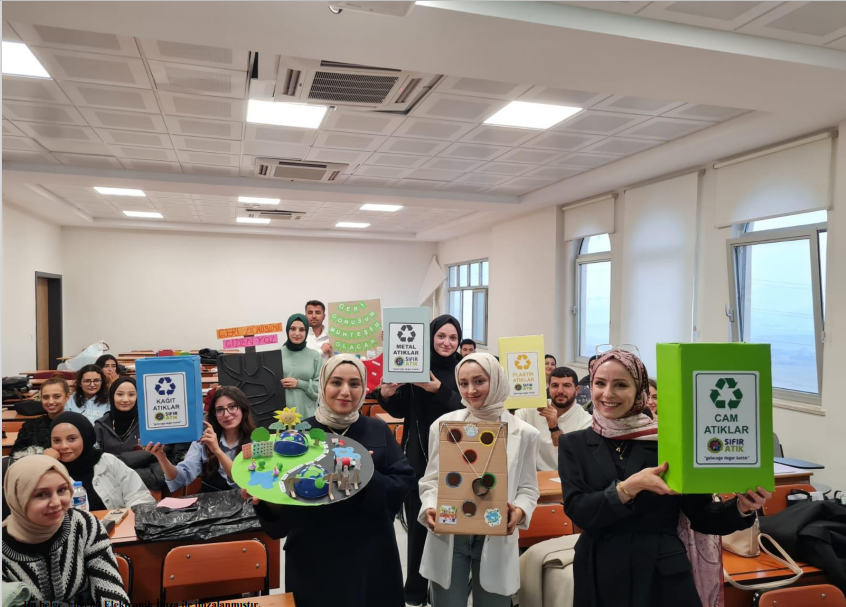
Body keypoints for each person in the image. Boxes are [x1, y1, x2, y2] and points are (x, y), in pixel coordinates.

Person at [558, 349, 770, 607]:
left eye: (621, 385)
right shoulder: (574, 444)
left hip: (661, 570)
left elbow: (701, 515)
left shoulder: (669, 443)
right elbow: (579, 511)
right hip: (601, 570)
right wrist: (629, 487)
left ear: (640, 391)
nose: (608, 393)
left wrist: (742, 508)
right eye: (600, 383)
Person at [245, 354, 416, 607]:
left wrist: (362, 476)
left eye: (354, 384)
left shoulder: (378, 430)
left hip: (369, 558)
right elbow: (281, 522)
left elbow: (401, 485)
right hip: (314, 560)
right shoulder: (299, 436)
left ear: (363, 388)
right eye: (336, 382)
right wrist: (267, 501)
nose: (345, 391)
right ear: (323, 385)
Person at [420, 353, 540, 606]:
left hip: (495, 530)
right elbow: (431, 479)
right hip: (452, 530)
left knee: (493, 601)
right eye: (463, 383)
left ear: (496, 380)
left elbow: (528, 488)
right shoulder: (443, 426)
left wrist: (518, 512)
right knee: (447, 601)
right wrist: (430, 506)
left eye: (479, 381)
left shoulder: (525, 433)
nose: (471, 391)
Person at [377, 314, 464, 607]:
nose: (447, 342)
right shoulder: (415, 365)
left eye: (453, 337)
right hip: (419, 456)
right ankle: (415, 589)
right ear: (430, 337)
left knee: (452, 521)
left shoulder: (463, 369)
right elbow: (400, 409)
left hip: (458, 456)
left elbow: (470, 407)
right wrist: (386, 394)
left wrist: (438, 390)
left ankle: (448, 586)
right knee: (419, 524)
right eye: (441, 336)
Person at [1, 455, 130, 605]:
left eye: (62, 490)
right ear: (17, 497)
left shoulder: (84, 524)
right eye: (41, 494)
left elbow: (111, 592)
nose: (56, 503)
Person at [146, 385, 255, 493]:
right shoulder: (204, 439)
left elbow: (245, 481)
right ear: (214, 414)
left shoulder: (255, 441)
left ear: (243, 408)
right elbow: (181, 478)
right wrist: (161, 457)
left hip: (245, 501)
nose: (226, 414)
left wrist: (217, 451)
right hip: (211, 501)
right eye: (220, 409)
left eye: (232, 407)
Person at [46, 412, 154, 510]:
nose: (64, 446)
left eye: (72, 439)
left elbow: (139, 496)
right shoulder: (49, 469)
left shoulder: (107, 461)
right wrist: (46, 464)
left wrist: (130, 520)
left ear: (86, 437)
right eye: (57, 440)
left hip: (119, 525)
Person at [94, 377, 187, 491]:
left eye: (131, 395)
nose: (125, 399)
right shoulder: (101, 425)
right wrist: (139, 460)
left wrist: (119, 468)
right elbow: (97, 461)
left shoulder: (149, 422)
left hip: (145, 489)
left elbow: (157, 474)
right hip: (109, 489)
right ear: (112, 396)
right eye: (120, 394)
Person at [515, 366, 592, 471]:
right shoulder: (534, 408)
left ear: (577, 390)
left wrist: (554, 427)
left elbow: (573, 458)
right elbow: (508, 424)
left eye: (566, 385)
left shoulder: (587, 422)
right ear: (549, 389)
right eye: (555, 385)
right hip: (533, 476)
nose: (560, 391)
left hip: (566, 477)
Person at [11, 375, 70, 461]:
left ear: (67, 397)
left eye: (57, 396)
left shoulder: (77, 424)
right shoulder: (30, 427)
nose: (50, 401)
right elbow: (16, 457)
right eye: (46, 397)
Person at [281, 313, 321, 419]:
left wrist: (299, 383)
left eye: (302, 330)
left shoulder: (315, 356)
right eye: (293, 329)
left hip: (307, 414)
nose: (297, 333)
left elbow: (321, 388)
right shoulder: (277, 355)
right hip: (282, 415)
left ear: (306, 331)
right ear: (287, 330)